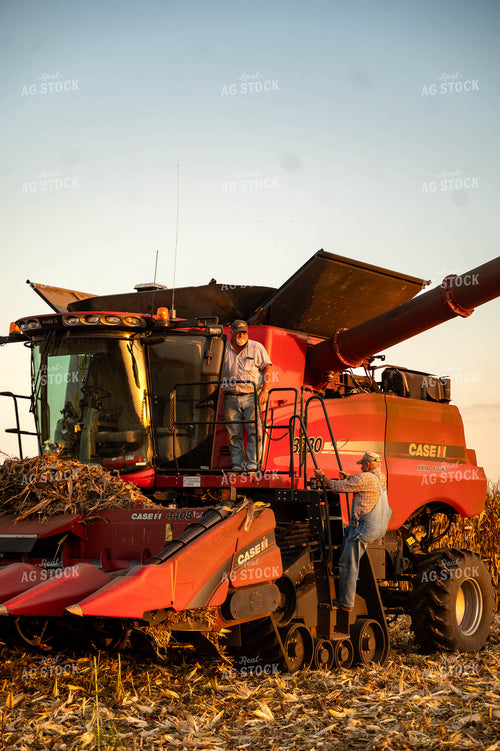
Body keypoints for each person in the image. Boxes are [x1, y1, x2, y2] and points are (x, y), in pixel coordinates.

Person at [314, 451, 392, 612]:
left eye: (362, 464)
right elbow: (363, 482)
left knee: (348, 564)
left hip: (364, 529)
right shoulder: (381, 477)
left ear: (368, 465)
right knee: (349, 531)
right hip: (378, 528)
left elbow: (336, 487)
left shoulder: (364, 478)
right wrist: (350, 477)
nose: (361, 466)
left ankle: (346, 602)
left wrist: (322, 477)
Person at [222, 320, 272, 471]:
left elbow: (267, 368)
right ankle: (237, 466)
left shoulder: (257, 348)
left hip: (251, 396)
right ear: (231, 333)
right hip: (230, 397)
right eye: (238, 332)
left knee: (254, 432)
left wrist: (265, 390)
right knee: (233, 434)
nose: (241, 335)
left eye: (244, 332)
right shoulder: (223, 348)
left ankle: (252, 465)